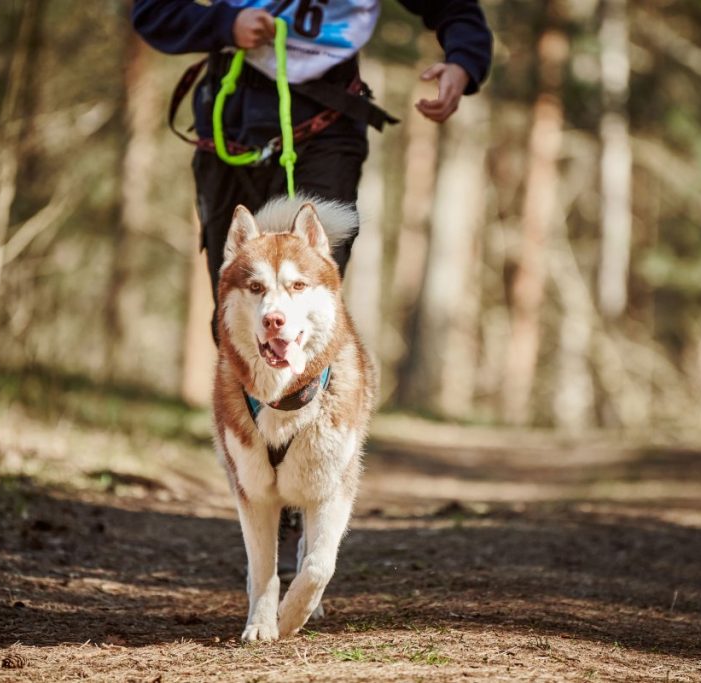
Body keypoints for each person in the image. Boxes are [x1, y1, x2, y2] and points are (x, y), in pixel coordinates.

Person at [132, 0, 492, 573]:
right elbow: (151, 11)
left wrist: (464, 61)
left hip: (327, 126)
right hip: (228, 132)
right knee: (239, 315)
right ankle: (261, 478)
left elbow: (453, 7)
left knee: (304, 306)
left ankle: (308, 497)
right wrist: (221, 25)